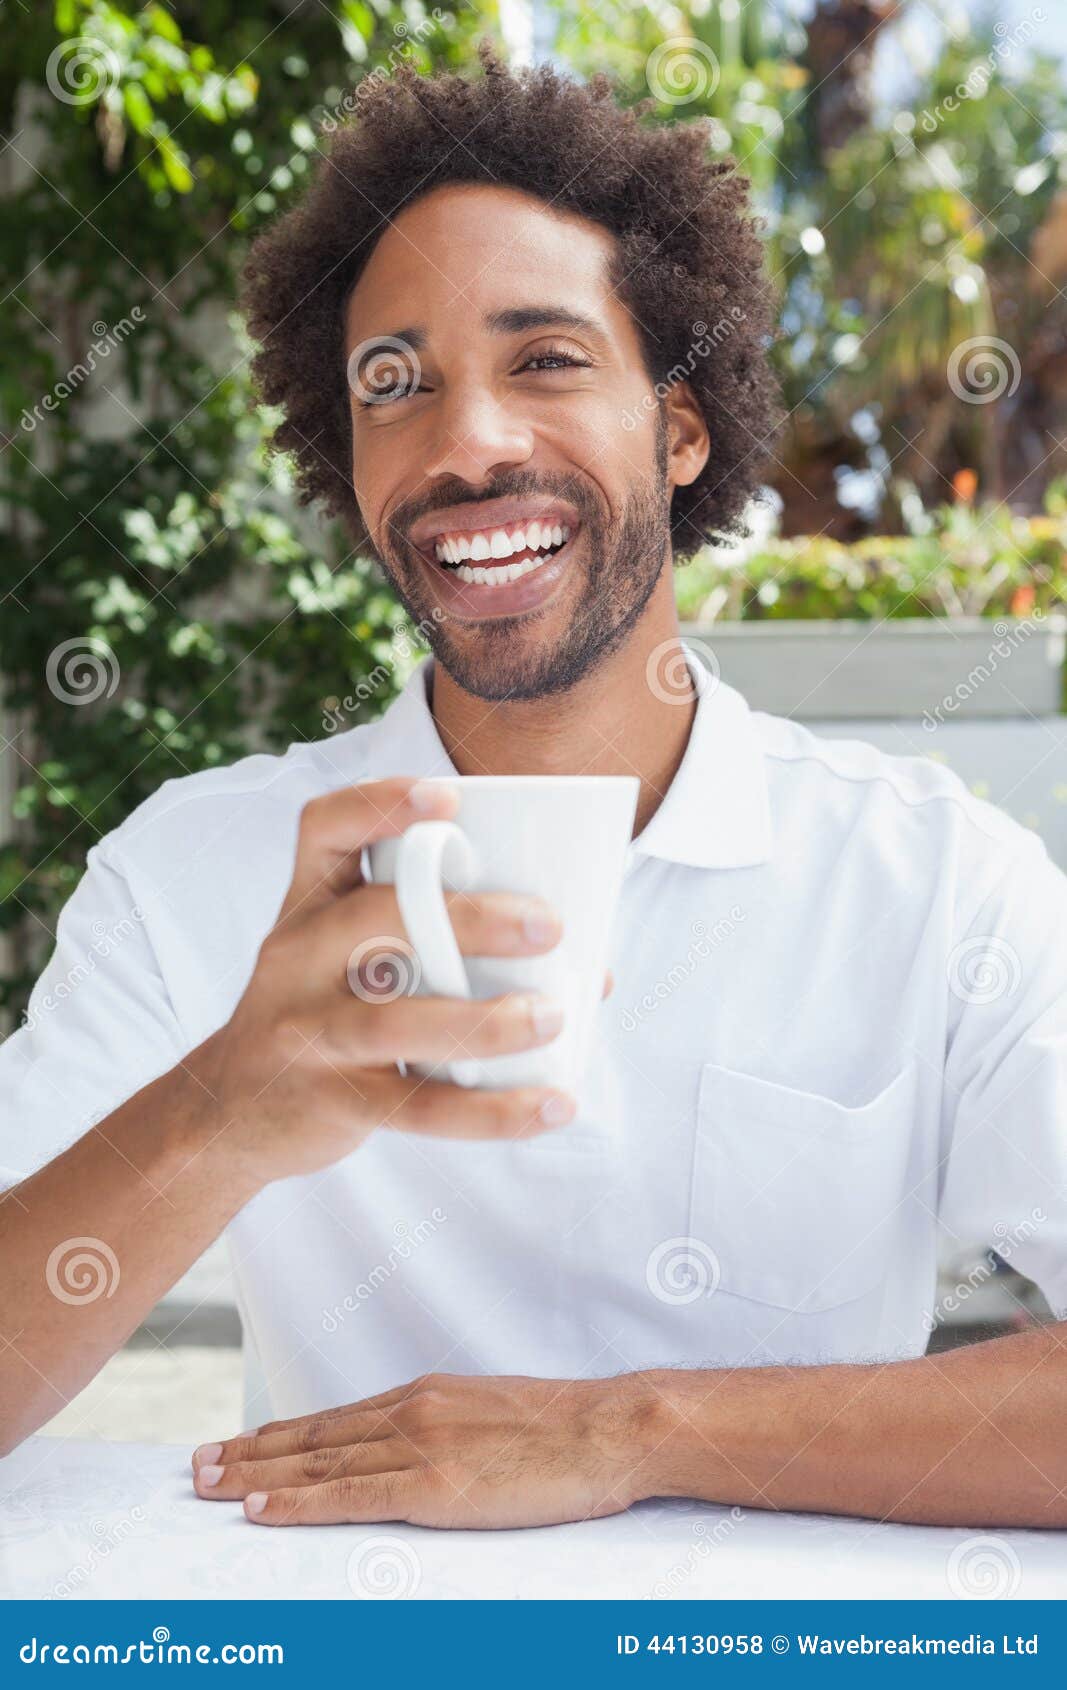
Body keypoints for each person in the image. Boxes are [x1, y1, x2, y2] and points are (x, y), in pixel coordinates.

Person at [3, 49, 1066, 1532]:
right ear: (345, 458)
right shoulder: (196, 870)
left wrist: (631, 1431)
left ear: (681, 428)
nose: (468, 442)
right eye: (395, 383)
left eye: (546, 359)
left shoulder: (941, 878)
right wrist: (216, 1116)